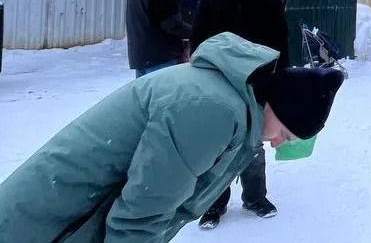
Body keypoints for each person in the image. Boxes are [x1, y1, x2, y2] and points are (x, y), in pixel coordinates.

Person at [0, 32, 344, 242]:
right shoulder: (212, 110)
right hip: (45, 225)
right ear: (276, 107)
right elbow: (141, 214)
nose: (278, 143)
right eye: (285, 133)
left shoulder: (226, 103)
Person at [192, 0, 291, 228]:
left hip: (257, 84)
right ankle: (213, 204)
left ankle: (255, 197)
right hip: (219, 84)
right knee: (217, 148)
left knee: (253, 145)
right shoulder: (210, 2)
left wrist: (282, 80)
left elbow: (282, 44)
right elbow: (198, 45)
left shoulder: (270, 2)